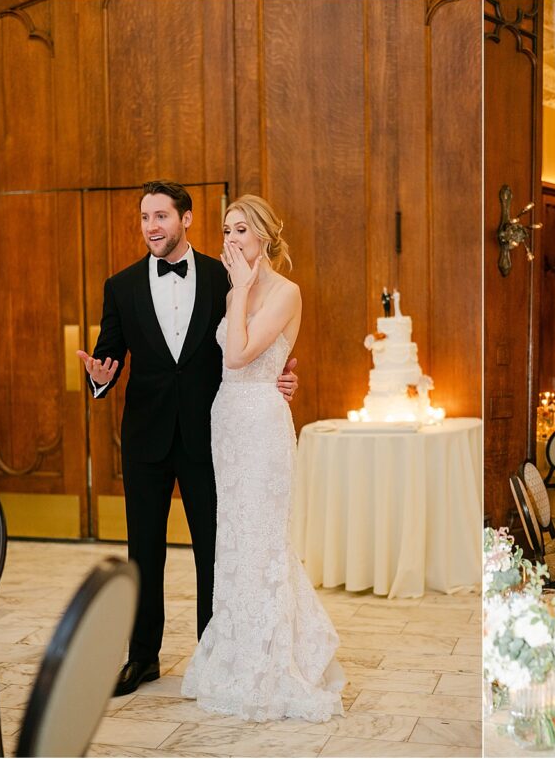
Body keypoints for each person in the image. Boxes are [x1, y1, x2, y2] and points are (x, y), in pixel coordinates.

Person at [77, 181, 297, 697]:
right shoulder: (121, 286)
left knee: (213, 549)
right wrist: (100, 377)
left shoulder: (228, 274)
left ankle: (213, 650)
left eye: (161, 216)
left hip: (211, 434)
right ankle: (142, 657)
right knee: (143, 549)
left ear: (186, 219)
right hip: (146, 437)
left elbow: (258, 338)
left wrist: (286, 374)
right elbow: (108, 355)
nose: (152, 226)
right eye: (145, 218)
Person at [181, 194, 344, 722]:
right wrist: (238, 290)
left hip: (264, 427)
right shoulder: (233, 288)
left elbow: (239, 353)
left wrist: (245, 289)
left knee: (263, 540)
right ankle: (232, 652)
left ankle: (276, 659)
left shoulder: (285, 291)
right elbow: (222, 369)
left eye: (241, 232)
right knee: (232, 537)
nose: (230, 241)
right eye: (226, 231)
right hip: (227, 421)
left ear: (266, 237)